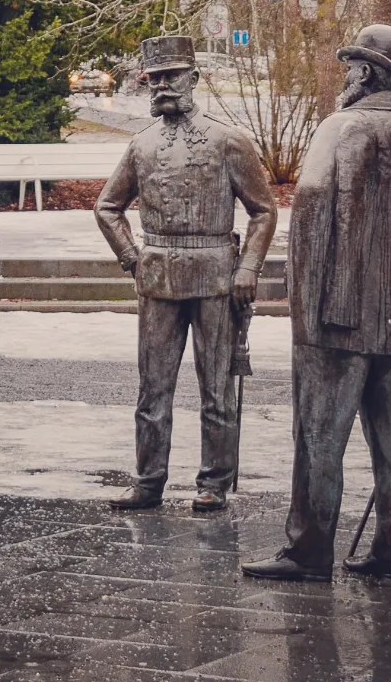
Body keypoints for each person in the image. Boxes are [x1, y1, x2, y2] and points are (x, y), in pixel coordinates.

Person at [242, 24, 391, 583]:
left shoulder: (341, 130)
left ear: (367, 73)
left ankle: (308, 551)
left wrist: (304, 315)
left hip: (338, 317)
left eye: (353, 67)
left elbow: (313, 222)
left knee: (320, 439)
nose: (348, 77)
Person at [95, 35, 278, 513]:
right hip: (158, 279)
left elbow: (263, 211)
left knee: (217, 389)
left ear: (195, 79)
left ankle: (214, 482)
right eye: (153, 79)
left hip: (217, 277)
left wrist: (248, 269)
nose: (161, 86)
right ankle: (148, 480)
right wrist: (133, 258)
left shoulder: (228, 140)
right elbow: (107, 207)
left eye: (171, 76)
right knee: (153, 388)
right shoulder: (141, 145)